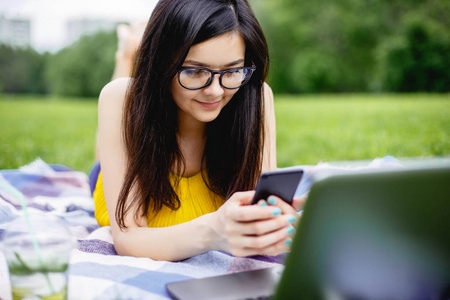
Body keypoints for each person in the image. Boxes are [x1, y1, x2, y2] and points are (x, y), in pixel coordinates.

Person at [91, 0, 304, 262]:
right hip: (122, 171)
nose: (215, 91)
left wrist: (276, 224)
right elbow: (129, 239)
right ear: (162, 64)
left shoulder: (255, 95)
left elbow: (257, 218)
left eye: (232, 70)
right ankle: (126, 53)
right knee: (118, 112)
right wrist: (213, 231)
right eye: (194, 71)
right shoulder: (120, 98)